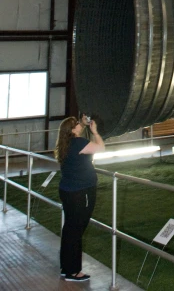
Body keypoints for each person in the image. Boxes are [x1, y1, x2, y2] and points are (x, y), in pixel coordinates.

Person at [54, 115, 105, 282]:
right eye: (76, 124)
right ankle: (73, 272)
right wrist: (95, 132)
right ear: (72, 130)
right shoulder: (78, 143)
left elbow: (79, 130)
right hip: (81, 192)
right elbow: (101, 149)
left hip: (68, 191)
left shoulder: (65, 144)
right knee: (76, 231)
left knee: (69, 230)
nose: (79, 124)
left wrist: (83, 123)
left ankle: (66, 267)